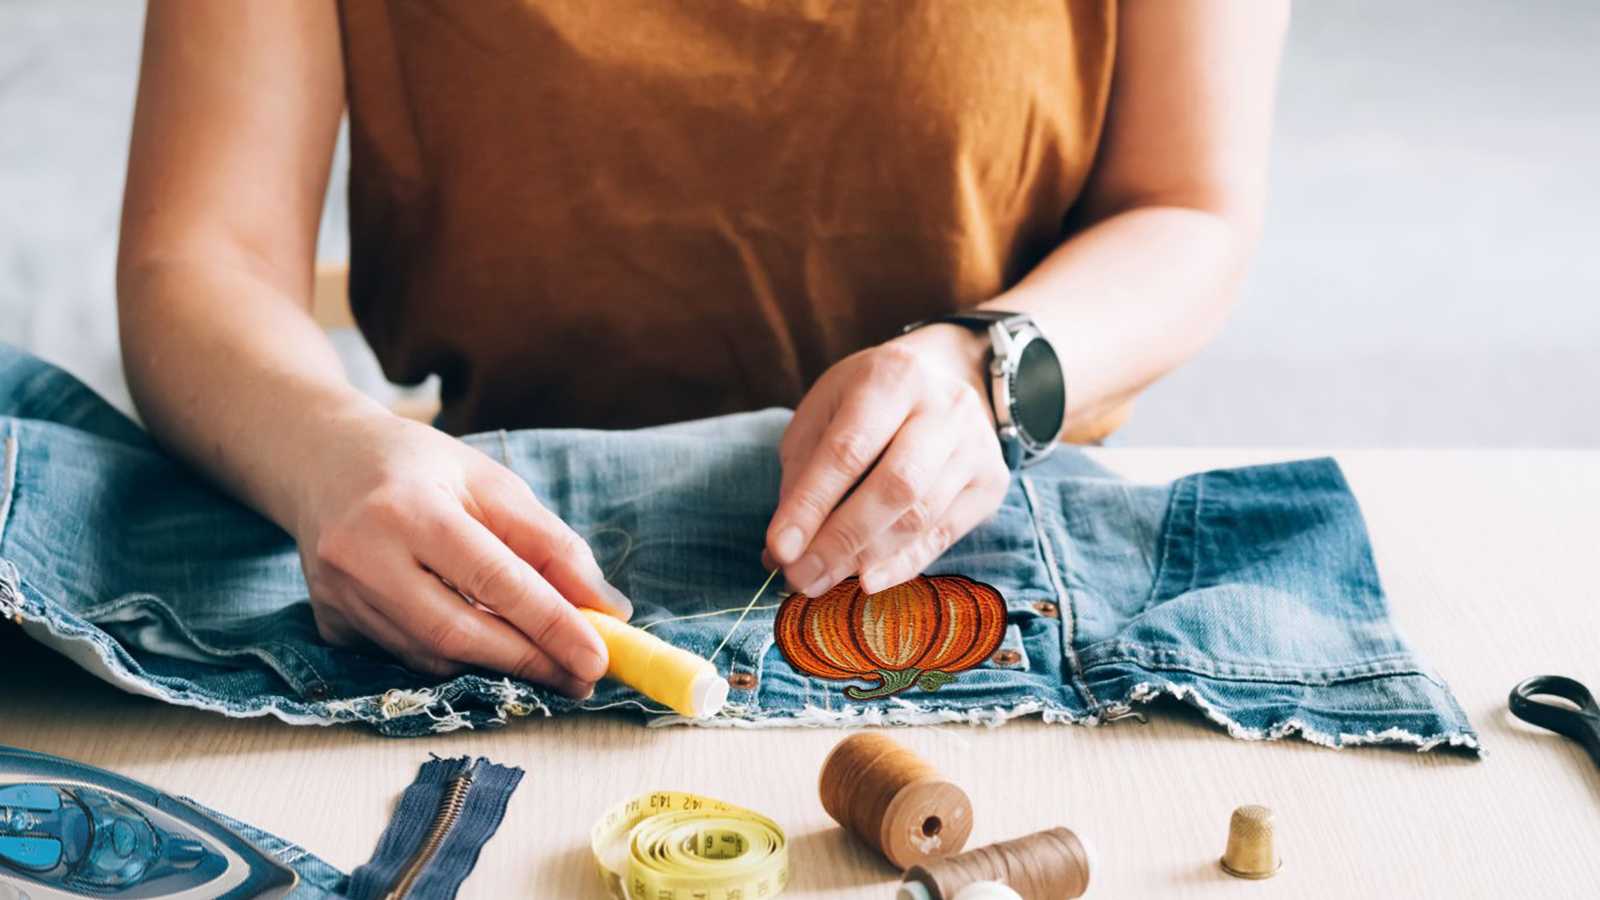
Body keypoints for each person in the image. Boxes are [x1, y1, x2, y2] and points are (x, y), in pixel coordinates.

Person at [115, 1, 1289, 700]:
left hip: (994, 543)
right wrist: (326, 454)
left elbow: (1188, 207)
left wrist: (992, 373)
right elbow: (199, 257)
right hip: (484, 576)